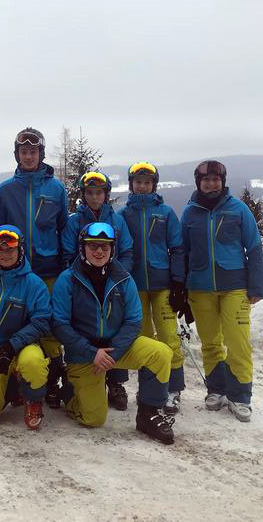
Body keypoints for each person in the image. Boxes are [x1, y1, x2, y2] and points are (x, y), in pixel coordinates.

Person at [51, 222, 175, 444]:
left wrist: (112, 354)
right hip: (83, 354)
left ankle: (149, 413)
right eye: (93, 246)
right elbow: (60, 324)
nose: (99, 251)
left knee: (161, 353)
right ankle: (70, 392)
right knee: (93, 419)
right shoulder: (67, 279)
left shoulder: (123, 278)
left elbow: (134, 321)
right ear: (83, 248)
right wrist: (92, 353)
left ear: (112, 250)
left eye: (105, 247)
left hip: (117, 349)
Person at [180, 160, 263, 422]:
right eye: (206, 180)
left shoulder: (239, 209)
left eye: (216, 179)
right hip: (200, 287)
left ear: (223, 181)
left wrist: (256, 286)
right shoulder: (190, 213)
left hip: (235, 287)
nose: (211, 183)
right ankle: (216, 389)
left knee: (237, 341)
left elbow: (254, 248)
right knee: (210, 342)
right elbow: (182, 252)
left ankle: (240, 395)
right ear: (199, 182)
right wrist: (181, 289)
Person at [0, 127, 68, 407]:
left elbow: (63, 229)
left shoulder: (55, 188)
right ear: (17, 155)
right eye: (23, 151)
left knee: (48, 326)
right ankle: (16, 380)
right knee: (16, 323)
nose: (28, 156)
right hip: (15, 271)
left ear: (41, 154)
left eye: (33, 151)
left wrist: (64, 267)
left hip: (48, 269)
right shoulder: (5, 191)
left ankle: (48, 380)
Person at [61, 171, 134, 411]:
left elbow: (126, 251)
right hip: (84, 280)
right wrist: (80, 274)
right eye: (90, 193)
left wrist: (120, 275)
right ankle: (81, 377)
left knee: (115, 325)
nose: (95, 197)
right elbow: (68, 252)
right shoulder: (74, 221)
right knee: (88, 326)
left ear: (106, 194)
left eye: (99, 192)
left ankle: (116, 382)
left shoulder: (117, 220)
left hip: (113, 281)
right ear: (83, 195)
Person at [118, 162, 187, 415]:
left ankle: (174, 389)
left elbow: (177, 248)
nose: (143, 186)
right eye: (138, 182)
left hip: (163, 285)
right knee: (144, 341)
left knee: (169, 338)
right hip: (134, 286)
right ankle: (150, 390)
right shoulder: (124, 215)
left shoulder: (166, 212)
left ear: (154, 185)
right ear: (131, 184)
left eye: (147, 182)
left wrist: (178, 282)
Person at [0, 226, 51, 430]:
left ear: (20, 250)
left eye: (11, 249)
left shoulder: (33, 283)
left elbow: (41, 322)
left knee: (33, 363)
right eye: (0, 249)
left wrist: (10, 348)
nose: (5, 254)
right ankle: (11, 388)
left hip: (22, 348)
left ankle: (33, 398)